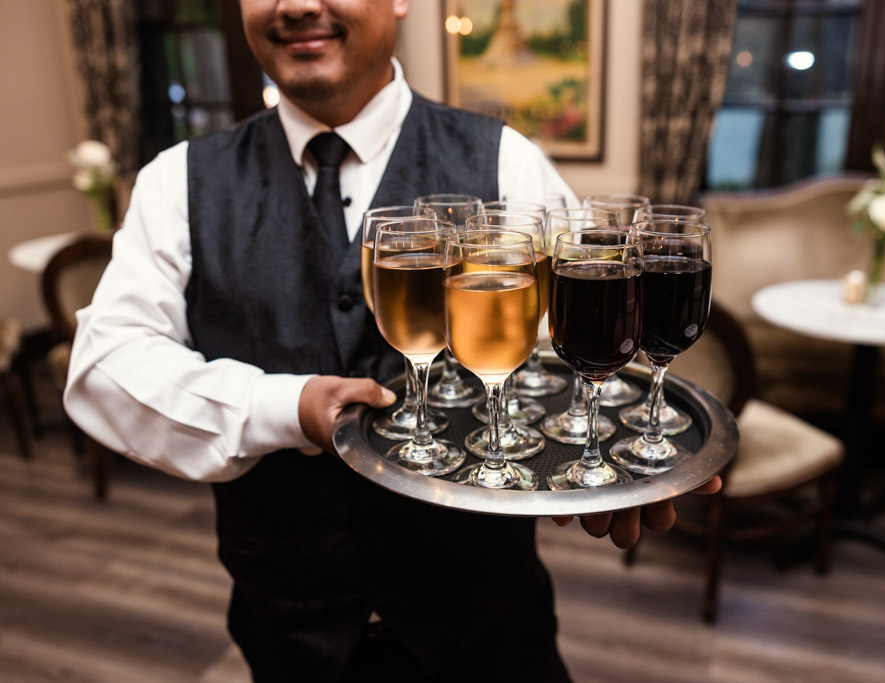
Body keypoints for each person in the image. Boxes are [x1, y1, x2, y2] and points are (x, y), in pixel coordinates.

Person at [64, 1, 720, 680]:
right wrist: (287, 408)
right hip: (288, 637)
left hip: (490, 636)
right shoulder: (177, 180)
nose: (295, 4)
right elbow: (106, 364)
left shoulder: (505, 160)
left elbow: (575, 347)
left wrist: (613, 459)